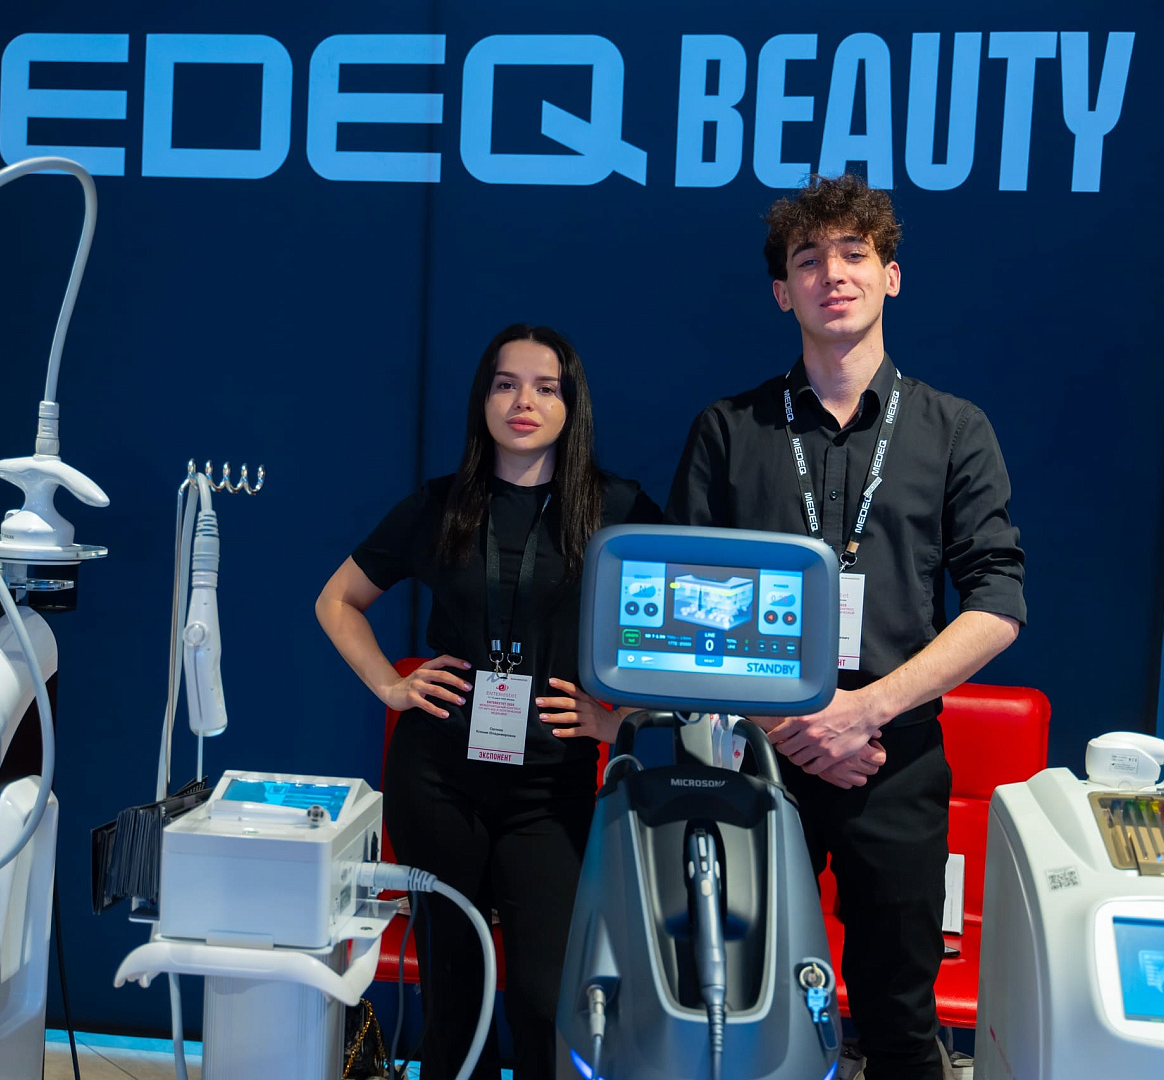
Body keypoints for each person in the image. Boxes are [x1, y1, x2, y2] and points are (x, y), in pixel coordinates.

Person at [666, 173, 1026, 1079]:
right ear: (781, 292)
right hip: (750, 757)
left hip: (892, 758)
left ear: (890, 277)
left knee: (901, 1022)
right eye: (809, 259)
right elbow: (683, 608)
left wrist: (862, 712)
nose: (834, 274)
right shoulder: (727, 431)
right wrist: (788, 721)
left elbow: (998, 604)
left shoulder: (954, 430)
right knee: (728, 1008)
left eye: (854, 254)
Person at [316, 323, 661, 1079]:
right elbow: (337, 600)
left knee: (544, 994)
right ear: (483, 399)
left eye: (545, 387)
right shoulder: (441, 504)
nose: (523, 402)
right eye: (506, 384)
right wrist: (391, 684)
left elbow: (681, 642)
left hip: (550, 785)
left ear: (572, 404)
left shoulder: (618, 508)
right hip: (439, 780)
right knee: (455, 998)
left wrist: (619, 720)